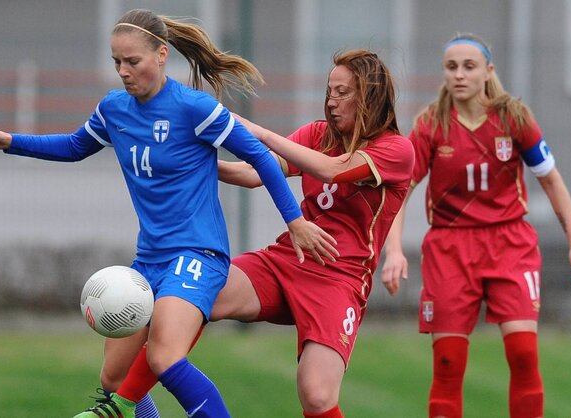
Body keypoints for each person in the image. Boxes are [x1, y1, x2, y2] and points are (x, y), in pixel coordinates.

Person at [0, 9, 338, 418]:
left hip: (198, 256)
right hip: (149, 260)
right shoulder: (114, 110)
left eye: (132, 61)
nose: (123, 71)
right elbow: (72, 146)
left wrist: (294, 221)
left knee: (165, 357)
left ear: (160, 55)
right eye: (116, 62)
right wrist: (8, 141)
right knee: (114, 379)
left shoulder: (194, 109)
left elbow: (260, 156)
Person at [88, 49, 415, 418]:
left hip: (339, 278)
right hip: (286, 260)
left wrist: (253, 130)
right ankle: (125, 406)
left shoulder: (397, 149)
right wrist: (190, 158)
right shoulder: (318, 134)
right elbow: (252, 172)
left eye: (343, 92)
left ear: (370, 95)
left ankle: (123, 403)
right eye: (329, 91)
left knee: (317, 395)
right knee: (194, 293)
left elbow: (331, 170)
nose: (331, 101)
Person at [380, 33, 571, 418]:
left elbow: (551, 180)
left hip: (509, 243)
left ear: (488, 71)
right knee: (447, 363)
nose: (459, 75)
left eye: (468, 66)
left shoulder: (514, 117)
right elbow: (401, 192)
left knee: (524, 353)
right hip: (449, 248)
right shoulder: (430, 125)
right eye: (451, 67)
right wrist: (393, 250)